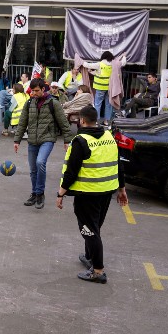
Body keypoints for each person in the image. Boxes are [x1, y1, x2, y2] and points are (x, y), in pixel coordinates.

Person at [56, 105, 128, 284]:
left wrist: (60, 193)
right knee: (94, 227)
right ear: (95, 120)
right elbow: (118, 164)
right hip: (106, 191)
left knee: (89, 230)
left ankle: (98, 271)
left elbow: (71, 171)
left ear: (82, 120)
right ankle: (90, 256)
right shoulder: (109, 137)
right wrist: (122, 189)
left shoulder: (80, 141)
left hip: (88, 193)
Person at [13, 78, 73, 210]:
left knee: (40, 162)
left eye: (36, 91)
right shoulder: (29, 103)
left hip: (47, 138)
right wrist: (17, 140)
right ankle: (34, 194)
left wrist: (67, 140)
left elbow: (63, 122)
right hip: (32, 141)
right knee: (33, 170)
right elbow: (22, 122)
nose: (33, 93)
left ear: (43, 89)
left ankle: (40, 194)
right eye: (32, 91)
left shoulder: (53, 103)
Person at [81, 51, 127, 127]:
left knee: (97, 104)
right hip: (109, 88)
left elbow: (87, 64)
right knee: (108, 104)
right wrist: (124, 56)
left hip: (100, 87)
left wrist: (80, 61)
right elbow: (123, 63)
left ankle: (95, 121)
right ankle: (106, 121)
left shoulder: (100, 64)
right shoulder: (114, 64)